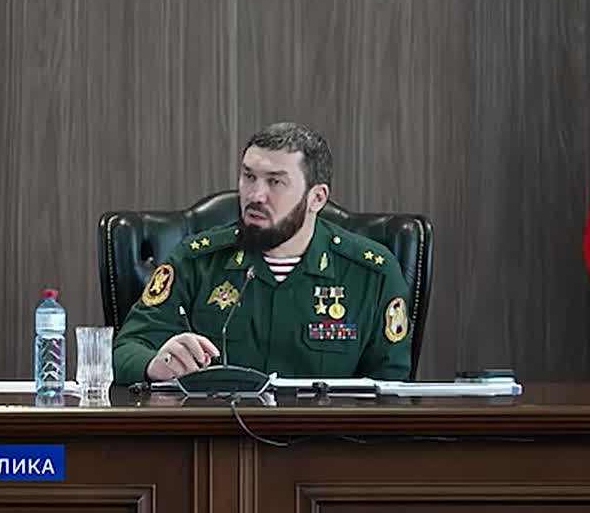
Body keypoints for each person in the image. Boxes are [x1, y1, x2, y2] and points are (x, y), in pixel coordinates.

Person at [112, 122, 411, 385]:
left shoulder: (373, 273)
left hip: (325, 432)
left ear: (317, 198)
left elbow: (391, 388)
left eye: (275, 182)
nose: (255, 195)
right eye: (249, 177)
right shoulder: (196, 261)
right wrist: (155, 364)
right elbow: (125, 351)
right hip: (215, 430)